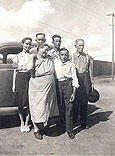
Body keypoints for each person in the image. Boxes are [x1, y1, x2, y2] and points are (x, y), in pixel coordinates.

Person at [27, 44, 58, 140]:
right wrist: (33, 58)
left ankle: (44, 127)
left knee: (46, 107)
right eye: (44, 51)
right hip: (37, 86)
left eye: (47, 51)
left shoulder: (49, 58)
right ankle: (36, 129)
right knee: (37, 108)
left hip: (49, 86)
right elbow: (29, 68)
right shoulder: (34, 58)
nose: (45, 53)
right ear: (38, 50)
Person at [54, 48, 79, 139]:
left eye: (65, 55)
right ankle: (60, 127)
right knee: (59, 107)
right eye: (62, 54)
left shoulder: (71, 64)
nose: (63, 57)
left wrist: (74, 92)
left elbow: (74, 78)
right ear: (59, 55)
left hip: (68, 84)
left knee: (69, 107)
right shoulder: (55, 62)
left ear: (68, 56)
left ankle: (70, 130)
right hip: (58, 84)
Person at [12, 37, 32, 133]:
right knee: (20, 103)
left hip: (28, 78)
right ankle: (22, 122)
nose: (28, 46)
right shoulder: (17, 56)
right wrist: (14, 85)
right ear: (22, 44)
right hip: (20, 79)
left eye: (29, 44)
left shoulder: (32, 56)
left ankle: (27, 123)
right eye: (26, 44)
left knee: (28, 103)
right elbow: (15, 72)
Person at [73, 39, 93, 129]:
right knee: (75, 101)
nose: (81, 47)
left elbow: (90, 71)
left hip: (85, 79)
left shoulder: (87, 56)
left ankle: (84, 122)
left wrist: (91, 82)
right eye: (79, 45)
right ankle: (74, 120)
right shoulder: (71, 57)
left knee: (84, 101)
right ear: (75, 46)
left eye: (82, 45)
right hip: (75, 78)